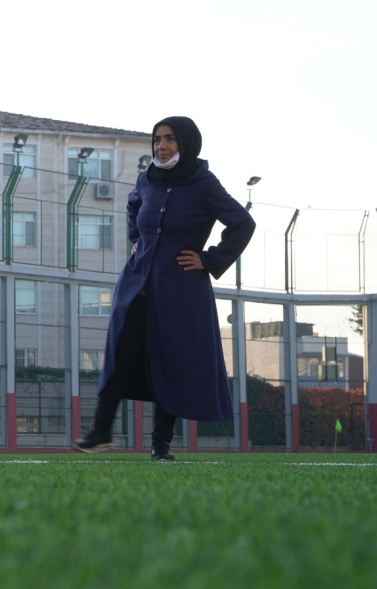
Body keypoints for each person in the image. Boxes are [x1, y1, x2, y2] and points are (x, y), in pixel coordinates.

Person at [74, 116, 255, 461]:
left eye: (170, 139)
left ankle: (161, 445)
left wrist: (209, 259)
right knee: (119, 353)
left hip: (180, 289)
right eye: (157, 139)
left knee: (168, 362)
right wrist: (136, 241)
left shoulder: (203, 182)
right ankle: (100, 430)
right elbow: (133, 208)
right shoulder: (146, 179)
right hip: (136, 283)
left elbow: (242, 223)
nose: (162, 146)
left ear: (185, 143)